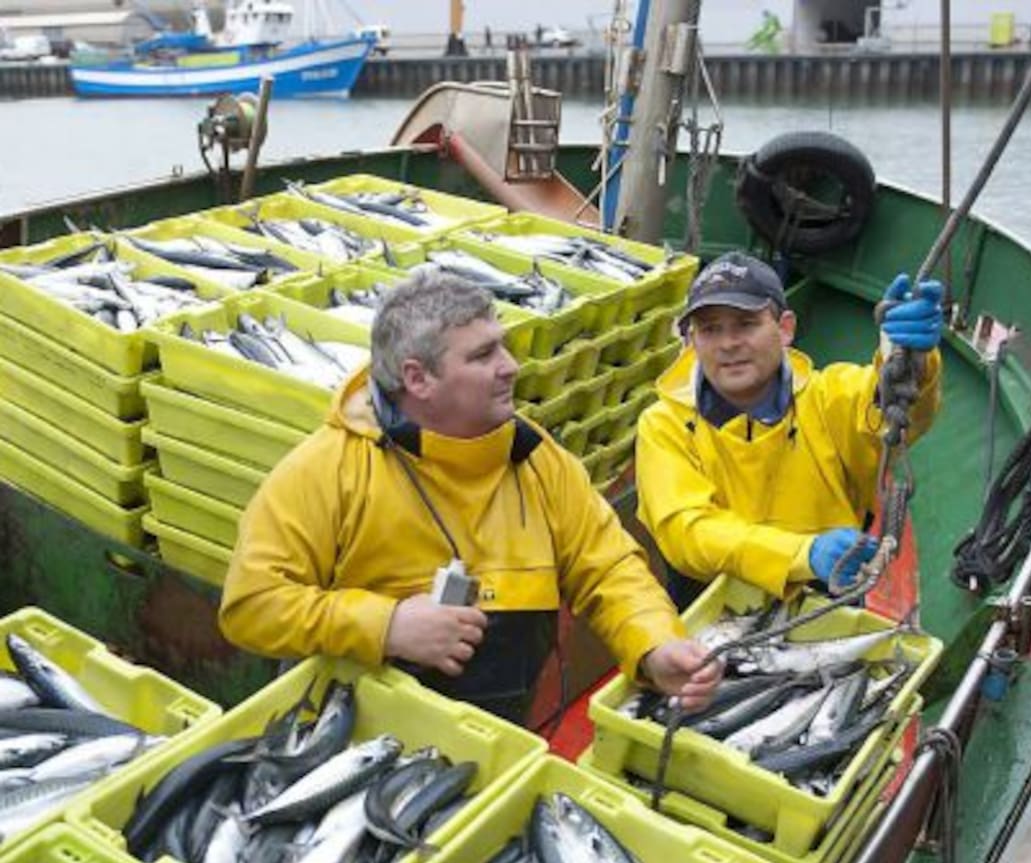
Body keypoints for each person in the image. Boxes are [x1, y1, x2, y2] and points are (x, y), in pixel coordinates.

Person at [220, 270, 721, 723]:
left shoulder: (537, 456)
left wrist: (655, 643)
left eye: (502, 346)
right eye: (483, 355)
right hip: (344, 739)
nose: (511, 366)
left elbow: (608, 566)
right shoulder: (324, 470)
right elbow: (252, 605)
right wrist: (386, 626)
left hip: (493, 736)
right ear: (417, 378)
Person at [635, 252, 943, 610]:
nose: (728, 343)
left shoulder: (830, 398)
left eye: (746, 324)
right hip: (709, 602)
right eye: (710, 329)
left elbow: (893, 408)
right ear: (691, 340)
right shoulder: (664, 424)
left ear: (785, 328)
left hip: (829, 589)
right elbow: (686, 532)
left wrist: (913, 359)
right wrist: (803, 553)